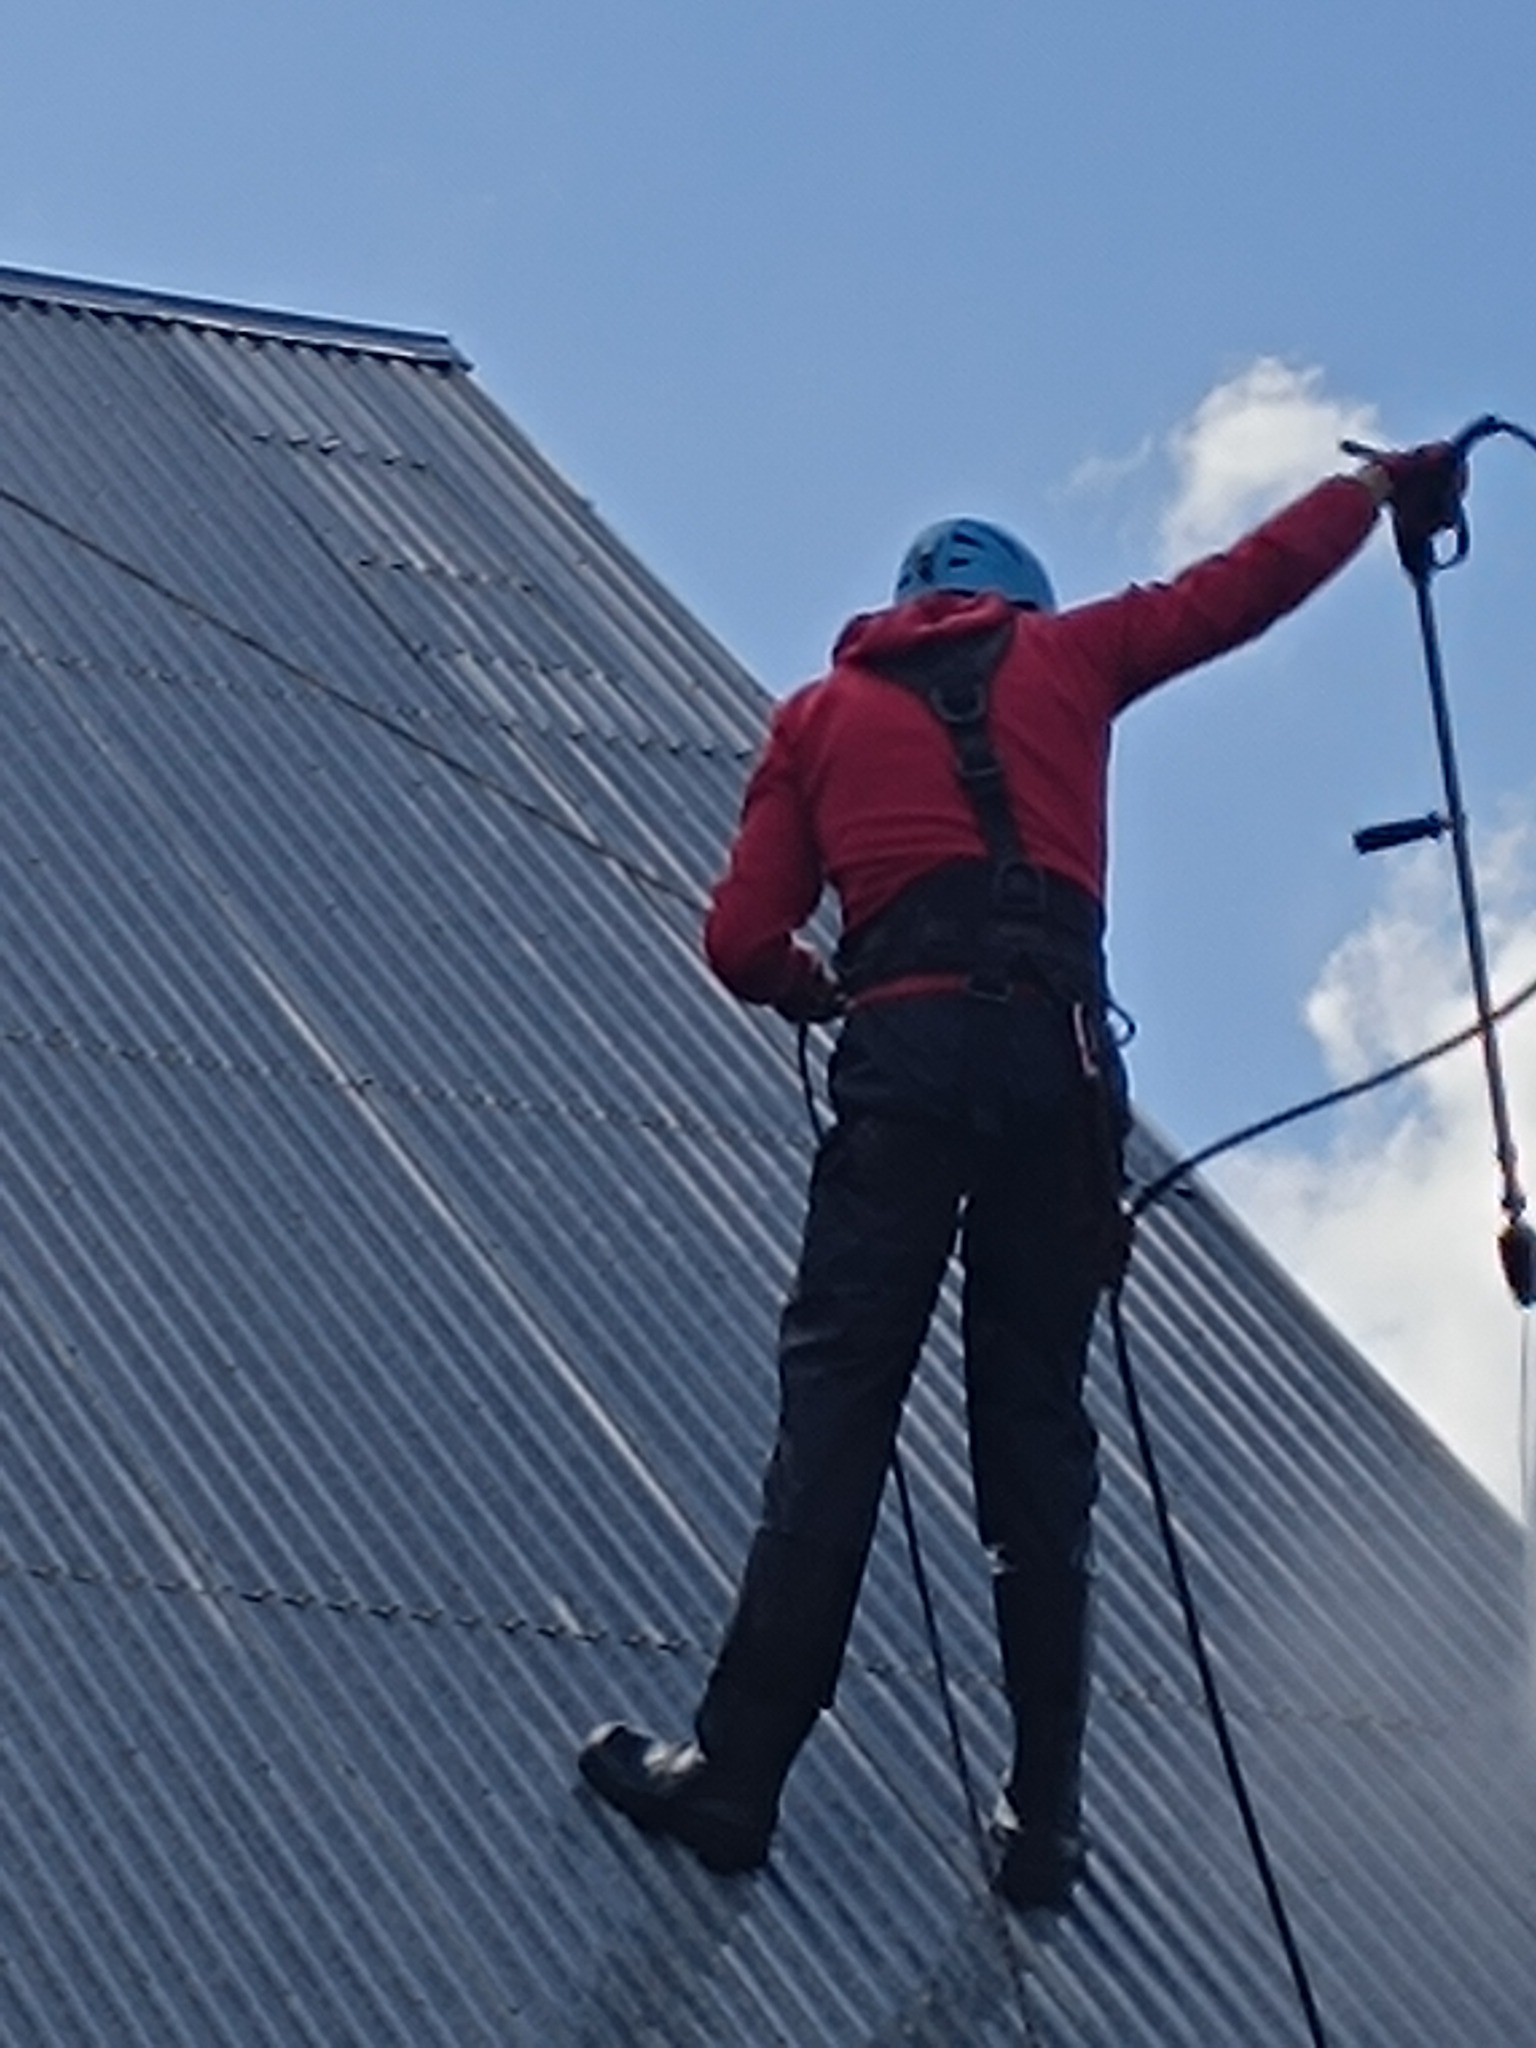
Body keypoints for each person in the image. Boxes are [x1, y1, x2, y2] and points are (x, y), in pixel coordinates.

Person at [577, 443, 1465, 1911]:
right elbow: (1239, 589)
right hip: (1060, 1081)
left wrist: (814, 987)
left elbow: (739, 943)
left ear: (901, 607)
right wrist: (1375, 497)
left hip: (903, 1065)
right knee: (1035, 1435)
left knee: (839, 1413)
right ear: (1019, 602)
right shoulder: (1074, 657)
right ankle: (1044, 1820)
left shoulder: (820, 715)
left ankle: (736, 1777)